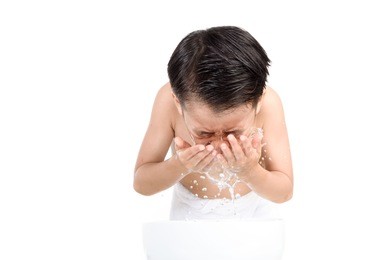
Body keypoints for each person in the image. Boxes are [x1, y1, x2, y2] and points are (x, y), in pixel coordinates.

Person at [134, 26, 293, 220]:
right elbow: (141, 183)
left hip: (254, 211)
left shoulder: (269, 105)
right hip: (189, 209)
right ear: (178, 103)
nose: (218, 145)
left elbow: (284, 192)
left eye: (233, 132)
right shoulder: (167, 102)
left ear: (257, 102)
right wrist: (180, 165)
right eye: (204, 133)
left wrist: (250, 171)